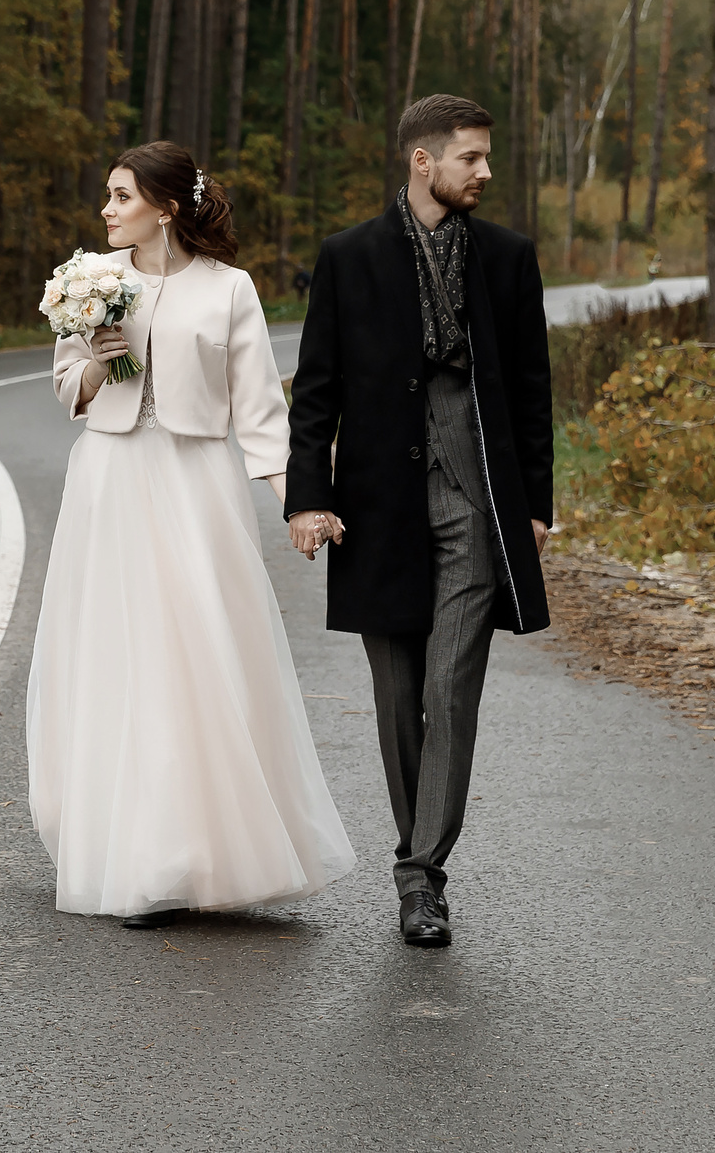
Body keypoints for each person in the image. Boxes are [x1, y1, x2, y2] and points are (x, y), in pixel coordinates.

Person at [27, 142, 356, 927]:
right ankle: (136, 855)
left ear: (166, 206)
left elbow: (260, 413)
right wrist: (101, 363)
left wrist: (301, 502)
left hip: (197, 485)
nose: (106, 209)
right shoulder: (93, 283)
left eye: (120, 195)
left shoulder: (229, 290)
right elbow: (65, 385)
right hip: (107, 482)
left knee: (197, 657)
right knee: (118, 657)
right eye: (106, 195)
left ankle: (200, 849)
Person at [283, 95, 553, 948]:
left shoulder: (508, 259)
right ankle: (418, 859)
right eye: (469, 157)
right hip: (378, 502)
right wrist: (306, 495)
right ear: (421, 162)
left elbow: (534, 389)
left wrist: (536, 501)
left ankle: (420, 875)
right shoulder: (349, 257)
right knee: (398, 695)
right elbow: (316, 390)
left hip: (474, 496)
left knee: (450, 688)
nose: (483, 171)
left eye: (484, 156)